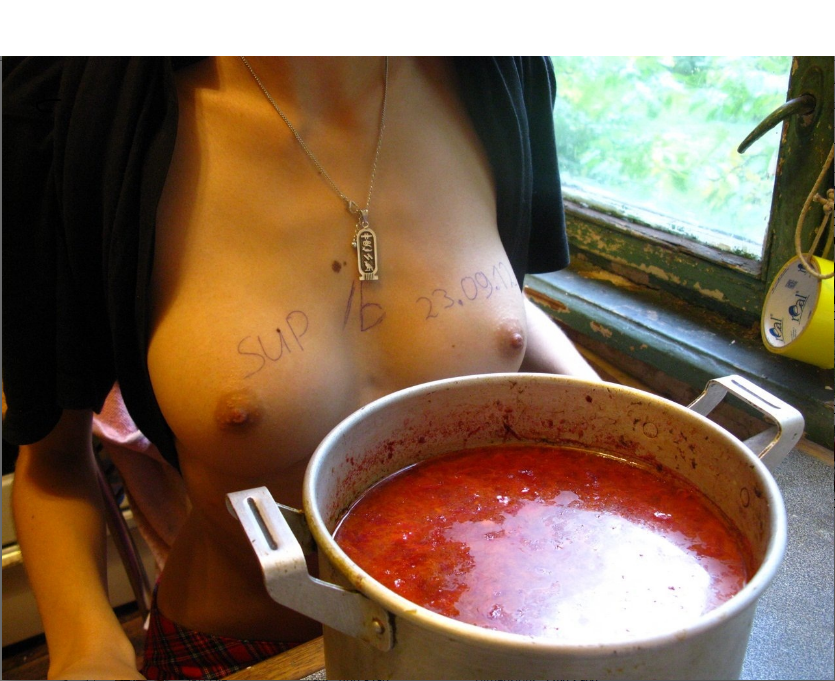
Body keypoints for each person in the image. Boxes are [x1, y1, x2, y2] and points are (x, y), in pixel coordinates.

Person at [2, 56, 599, 680]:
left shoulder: (498, 66)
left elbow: (502, 302)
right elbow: (53, 463)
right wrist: (88, 646)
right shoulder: (62, 105)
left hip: (491, 618)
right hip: (254, 648)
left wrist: (623, 436)